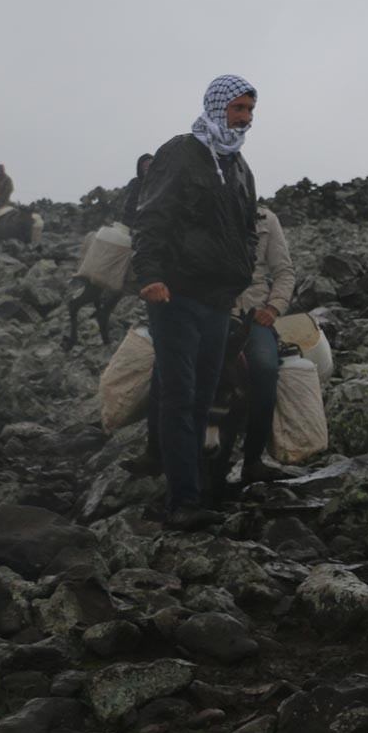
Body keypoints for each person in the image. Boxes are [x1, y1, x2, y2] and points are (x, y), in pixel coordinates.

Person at [132, 77, 260, 530]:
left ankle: (198, 493)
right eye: (238, 108)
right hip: (176, 295)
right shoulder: (181, 152)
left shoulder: (240, 166)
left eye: (249, 110)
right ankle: (181, 501)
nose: (245, 118)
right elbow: (152, 214)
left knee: (204, 398)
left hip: (217, 298)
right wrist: (148, 274)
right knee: (180, 396)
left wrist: (241, 273)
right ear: (217, 105)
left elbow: (248, 227)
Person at [234, 205, 296, 485]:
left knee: (265, 368)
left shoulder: (267, 220)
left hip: (254, 315)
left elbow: (284, 271)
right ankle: (160, 450)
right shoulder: (203, 209)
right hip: (212, 311)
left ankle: (253, 458)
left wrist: (273, 308)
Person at [121, 153, 153, 225]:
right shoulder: (135, 183)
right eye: (145, 164)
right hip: (134, 223)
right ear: (140, 167)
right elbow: (129, 206)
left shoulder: (160, 183)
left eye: (150, 164)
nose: (147, 167)